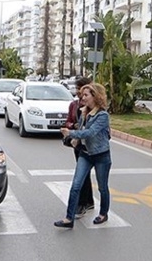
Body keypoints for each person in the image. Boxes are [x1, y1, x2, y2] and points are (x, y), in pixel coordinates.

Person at [55, 83, 112, 228]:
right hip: (85, 154)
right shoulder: (84, 113)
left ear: (95, 96)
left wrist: (70, 133)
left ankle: (103, 213)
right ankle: (69, 218)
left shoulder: (102, 115)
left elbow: (90, 132)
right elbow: (82, 129)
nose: (83, 98)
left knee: (102, 187)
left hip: (101, 156)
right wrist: (74, 139)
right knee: (76, 186)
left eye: (86, 95)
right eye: (82, 95)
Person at [64, 76, 94, 218]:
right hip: (77, 143)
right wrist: (72, 126)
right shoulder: (73, 105)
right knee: (84, 173)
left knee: (83, 174)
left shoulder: (94, 107)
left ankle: (83, 203)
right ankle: (88, 201)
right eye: (76, 88)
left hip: (90, 144)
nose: (77, 92)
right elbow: (68, 121)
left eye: (80, 89)